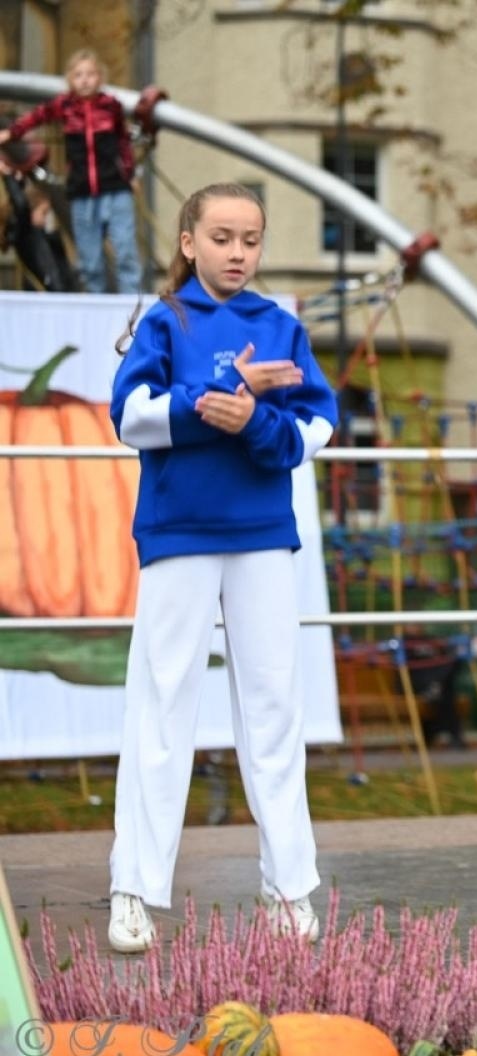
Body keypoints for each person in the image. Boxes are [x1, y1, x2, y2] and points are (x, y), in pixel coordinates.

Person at [107, 182, 337, 953]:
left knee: (276, 707)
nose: (238, 252)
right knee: (160, 702)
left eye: (251, 239)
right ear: (188, 243)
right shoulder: (165, 321)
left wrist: (256, 421)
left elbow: (317, 425)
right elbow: (130, 414)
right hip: (177, 532)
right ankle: (132, 888)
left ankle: (290, 886)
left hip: (264, 535)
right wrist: (217, 398)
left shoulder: (282, 325)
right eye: (223, 237)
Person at [0, 49, 141, 294]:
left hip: (115, 187)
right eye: (78, 75)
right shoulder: (64, 106)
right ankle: (97, 305)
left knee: (125, 249)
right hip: (82, 190)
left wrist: (131, 175)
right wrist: (11, 133)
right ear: (70, 80)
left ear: (100, 78)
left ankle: (132, 301)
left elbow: (123, 144)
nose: (85, 80)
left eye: (90, 74)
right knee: (90, 259)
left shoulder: (111, 106)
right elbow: (35, 117)